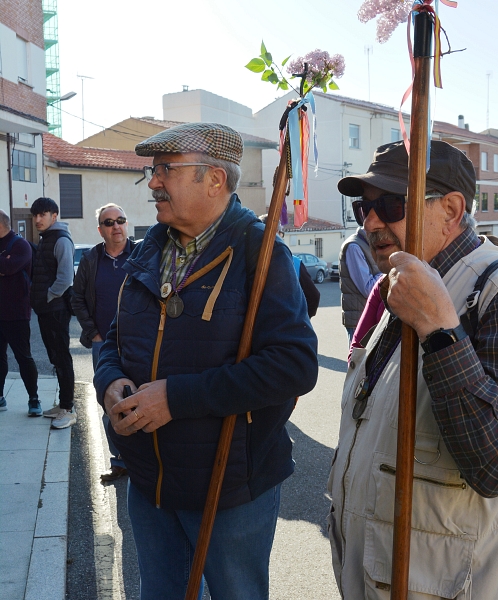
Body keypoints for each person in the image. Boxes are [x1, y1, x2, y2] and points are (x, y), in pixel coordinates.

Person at [328, 140, 498, 599]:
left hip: (459, 581)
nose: (372, 222)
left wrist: (440, 330)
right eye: (363, 208)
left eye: (391, 204)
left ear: (452, 209)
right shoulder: (403, 283)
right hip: (385, 570)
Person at [93, 122, 319, 600]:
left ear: (214, 179)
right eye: (153, 171)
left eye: (165, 170)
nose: (153, 182)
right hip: (150, 480)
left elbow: (294, 365)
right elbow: (115, 338)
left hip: (229, 486)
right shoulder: (148, 250)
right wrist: (109, 379)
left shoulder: (261, 253)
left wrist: (177, 398)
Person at [72, 203, 134, 481]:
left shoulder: (142, 254)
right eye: (109, 222)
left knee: (141, 394)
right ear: (101, 230)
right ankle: (119, 460)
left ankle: (144, 458)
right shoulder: (90, 259)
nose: (116, 226)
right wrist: (94, 333)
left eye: (120, 220)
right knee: (111, 401)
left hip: (137, 342)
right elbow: (77, 299)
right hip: (103, 345)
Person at [29, 197, 76, 429]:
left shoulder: (60, 239)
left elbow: (66, 278)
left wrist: (47, 296)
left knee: (62, 358)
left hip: (56, 309)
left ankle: (68, 408)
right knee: (55, 358)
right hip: (47, 310)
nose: (38, 219)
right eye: (35, 215)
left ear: (54, 216)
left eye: (43, 214)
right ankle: (63, 404)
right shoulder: (47, 238)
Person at [0, 210, 39, 414]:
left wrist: (5, 264)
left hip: (16, 313)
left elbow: (9, 267)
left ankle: (34, 399)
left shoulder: (20, 245)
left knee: (23, 357)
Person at [257, 213, 320, 318]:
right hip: (288, 328)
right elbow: (313, 296)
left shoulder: (246, 259)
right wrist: (301, 319)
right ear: (277, 233)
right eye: (281, 233)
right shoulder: (294, 262)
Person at [339, 226, 381, 343]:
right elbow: (368, 288)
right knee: (358, 359)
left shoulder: (369, 245)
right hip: (359, 319)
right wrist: (387, 272)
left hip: (368, 317)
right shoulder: (354, 247)